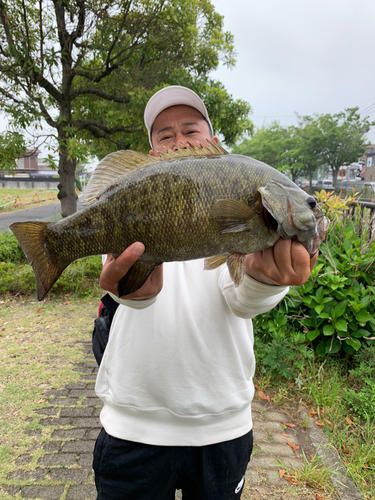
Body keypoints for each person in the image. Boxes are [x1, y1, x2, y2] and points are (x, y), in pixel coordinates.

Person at [93, 85, 317, 500]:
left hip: (222, 430)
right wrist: (133, 291)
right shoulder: (135, 198)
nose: (179, 140)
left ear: (212, 140)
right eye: (164, 135)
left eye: (190, 129)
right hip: (131, 427)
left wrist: (264, 279)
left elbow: (241, 299)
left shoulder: (241, 190)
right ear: (152, 152)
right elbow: (122, 290)